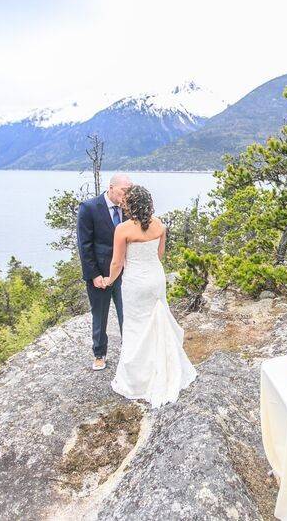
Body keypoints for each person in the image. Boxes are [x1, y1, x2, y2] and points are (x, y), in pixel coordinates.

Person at [101, 184, 197, 407]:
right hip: (155, 278)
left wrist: (109, 280)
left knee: (136, 326)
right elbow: (159, 254)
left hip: (135, 282)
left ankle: (137, 379)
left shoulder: (123, 229)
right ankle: (165, 366)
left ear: (129, 204)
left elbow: (117, 262)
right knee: (157, 321)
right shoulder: (160, 225)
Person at [76, 173, 133, 371]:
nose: (126, 195)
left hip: (125, 273)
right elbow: (84, 245)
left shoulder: (129, 209)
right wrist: (94, 275)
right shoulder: (89, 208)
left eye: (129, 191)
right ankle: (99, 353)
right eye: (124, 191)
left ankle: (130, 351)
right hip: (100, 273)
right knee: (100, 315)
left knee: (127, 313)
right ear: (111, 187)